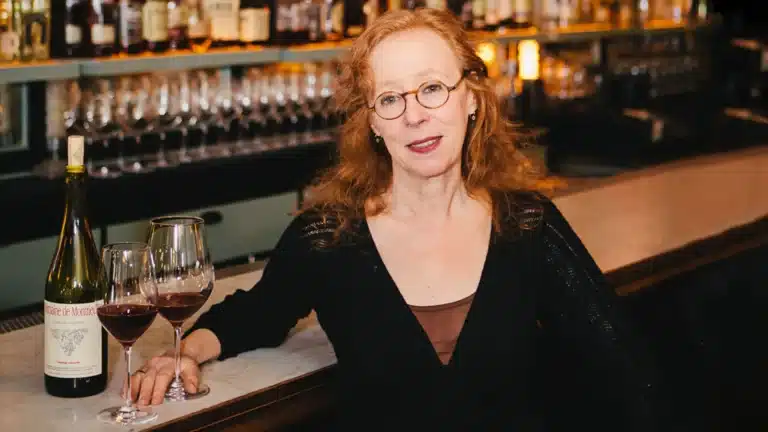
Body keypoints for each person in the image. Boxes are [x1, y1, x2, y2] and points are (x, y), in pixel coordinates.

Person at [129, 8, 665, 430]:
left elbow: (625, 368)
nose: (414, 114)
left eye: (432, 88)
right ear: (373, 126)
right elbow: (256, 314)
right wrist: (184, 354)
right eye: (390, 98)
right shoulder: (329, 238)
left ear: (472, 99)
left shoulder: (528, 227)